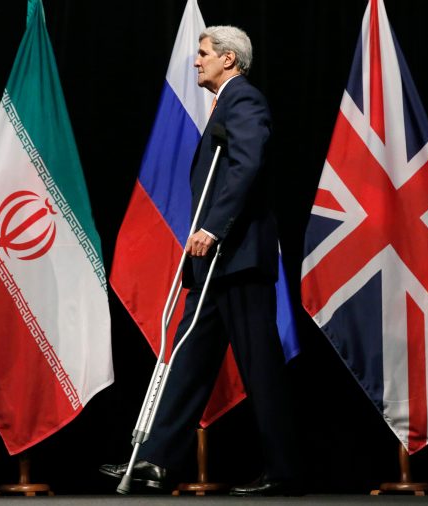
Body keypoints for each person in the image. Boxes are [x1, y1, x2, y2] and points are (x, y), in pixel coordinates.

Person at [100, 26, 302, 496]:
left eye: (204, 53)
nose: (196, 61)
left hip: (237, 255)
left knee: (260, 365)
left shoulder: (244, 100)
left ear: (229, 60)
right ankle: (154, 460)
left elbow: (247, 163)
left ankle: (285, 470)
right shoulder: (226, 104)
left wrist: (214, 226)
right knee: (189, 357)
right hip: (217, 265)